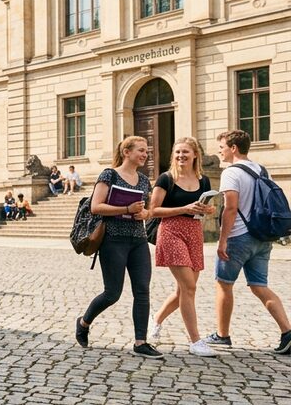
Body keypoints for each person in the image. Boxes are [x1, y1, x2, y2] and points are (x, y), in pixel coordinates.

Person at [204, 130, 291, 354]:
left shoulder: (231, 172)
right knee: (260, 286)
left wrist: (222, 240)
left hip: (239, 237)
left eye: (222, 146)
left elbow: (231, 208)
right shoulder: (261, 169)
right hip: (262, 236)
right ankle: (287, 332)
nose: (219, 151)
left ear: (233, 148)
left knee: (224, 284)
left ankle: (222, 336)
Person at [74, 136, 161, 358]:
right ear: (127, 152)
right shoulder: (109, 174)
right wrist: (126, 207)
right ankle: (84, 322)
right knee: (112, 293)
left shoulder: (143, 180)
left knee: (142, 290)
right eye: (141, 150)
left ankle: (141, 342)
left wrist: (144, 213)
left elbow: (147, 210)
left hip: (138, 239)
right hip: (113, 240)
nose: (145, 154)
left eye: (146, 151)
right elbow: (95, 207)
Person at [147, 137, 217, 357]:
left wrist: (209, 210)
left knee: (183, 290)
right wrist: (184, 208)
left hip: (194, 233)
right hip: (170, 231)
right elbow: (153, 211)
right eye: (177, 152)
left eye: (185, 152)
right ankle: (195, 341)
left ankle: (156, 319)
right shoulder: (165, 179)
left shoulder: (203, 181)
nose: (181, 156)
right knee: (189, 287)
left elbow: (207, 206)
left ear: (195, 155)